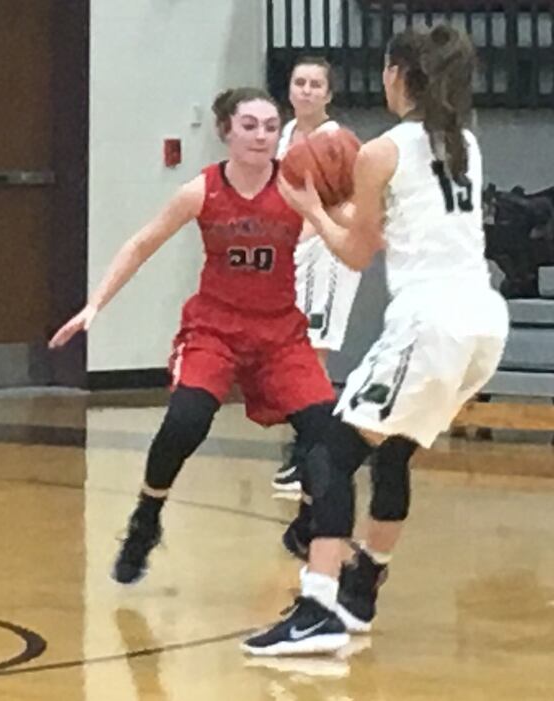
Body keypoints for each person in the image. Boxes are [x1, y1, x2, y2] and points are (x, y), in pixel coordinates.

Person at [244, 24, 507, 656]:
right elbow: (403, 228)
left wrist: (308, 205)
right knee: (393, 452)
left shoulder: (381, 151)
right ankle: (363, 587)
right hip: (482, 323)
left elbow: (357, 254)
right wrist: (346, 211)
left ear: (397, 74)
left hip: (430, 323)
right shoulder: (464, 142)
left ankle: (318, 605)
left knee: (330, 454)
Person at [50, 88, 335, 585]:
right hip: (215, 330)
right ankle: (145, 518)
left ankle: (306, 524)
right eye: (250, 125)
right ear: (226, 130)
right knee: (186, 420)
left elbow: (344, 231)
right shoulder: (201, 191)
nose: (262, 135)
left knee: (324, 432)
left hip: (279, 334)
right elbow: (142, 244)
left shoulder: (296, 188)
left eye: (271, 126)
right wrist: (96, 304)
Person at [273, 55, 365, 496]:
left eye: (315, 84)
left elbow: (352, 206)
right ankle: (309, 443)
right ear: (289, 90)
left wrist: (305, 232)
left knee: (314, 355)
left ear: (329, 95)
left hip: (327, 254)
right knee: (289, 355)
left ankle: (314, 453)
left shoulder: (340, 144)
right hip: (291, 252)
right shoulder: (284, 135)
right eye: (300, 82)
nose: (307, 90)